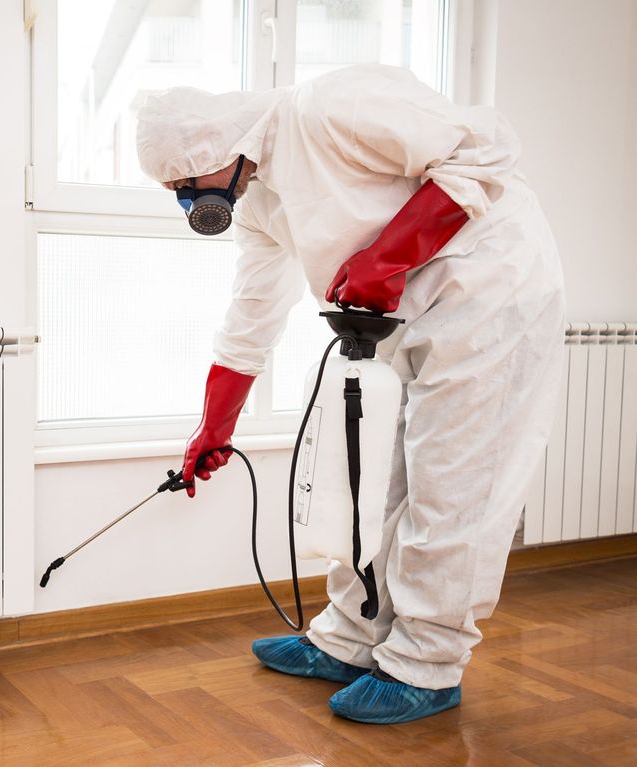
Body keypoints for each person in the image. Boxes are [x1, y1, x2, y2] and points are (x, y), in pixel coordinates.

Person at [135, 64, 565, 725]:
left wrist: (387, 255)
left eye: (187, 187)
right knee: (375, 483)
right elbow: (249, 320)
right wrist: (212, 430)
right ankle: (351, 636)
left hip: (492, 293)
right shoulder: (260, 203)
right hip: (405, 322)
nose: (192, 206)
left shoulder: (330, 108)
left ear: (210, 150)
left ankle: (426, 663)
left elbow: (486, 146)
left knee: (452, 484)